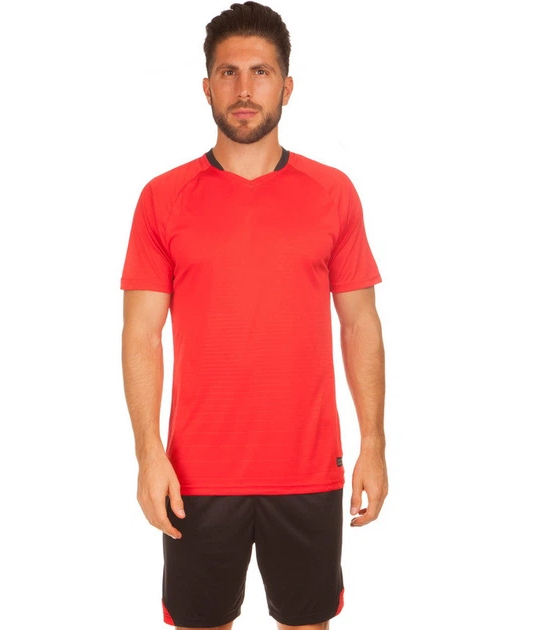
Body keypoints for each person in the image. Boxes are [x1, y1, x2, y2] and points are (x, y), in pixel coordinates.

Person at [120, 2, 388, 629]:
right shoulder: (163, 198)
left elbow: (360, 324)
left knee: (307, 622)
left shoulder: (333, 192)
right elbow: (141, 335)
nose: (245, 89)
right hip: (196, 474)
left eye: (261, 72)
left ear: (286, 87)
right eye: (229, 72)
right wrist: (148, 455)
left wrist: (373, 443)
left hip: (309, 469)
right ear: (207, 86)